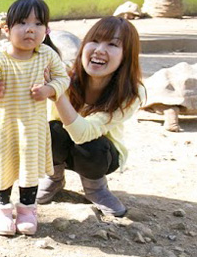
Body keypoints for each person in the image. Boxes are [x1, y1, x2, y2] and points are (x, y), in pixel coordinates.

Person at [0, 0, 69, 236]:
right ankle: (1, 208)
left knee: (29, 171)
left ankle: (27, 210)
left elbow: (63, 78)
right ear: (7, 29)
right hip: (5, 129)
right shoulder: (0, 59)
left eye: (38, 23)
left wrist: (49, 89)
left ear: (46, 29)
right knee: (3, 169)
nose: (31, 29)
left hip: (34, 129)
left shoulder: (46, 55)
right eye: (23, 22)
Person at [37, 15, 146, 217]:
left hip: (100, 154)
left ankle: (95, 188)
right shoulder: (67, 74)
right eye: (94, 41)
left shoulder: (131, 93)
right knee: (51, 130)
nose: (100, 50)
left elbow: (83, 135)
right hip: (61, 145)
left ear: (126, 55)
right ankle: (54, 178)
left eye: (112, 44)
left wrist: (58, 93)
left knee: (92, 145)